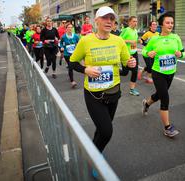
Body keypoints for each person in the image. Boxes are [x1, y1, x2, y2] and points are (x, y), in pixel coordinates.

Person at [70, 6, 136, 177]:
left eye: (112, 19)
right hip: (93, 94)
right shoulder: (86, 41)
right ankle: (96, 159)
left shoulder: (118, 41)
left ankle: (94, 148)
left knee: (102, 129)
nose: (109, 22)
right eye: (105, 18)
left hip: (113, 93)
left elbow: (125, 67)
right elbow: (72, 62)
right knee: (107, 131)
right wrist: (86, 70)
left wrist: (130, 64)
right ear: (96, 21)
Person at [142, 12, 185, 138]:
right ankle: (167, 128)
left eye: (172, 22)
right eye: (167, 22)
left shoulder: (176, 38)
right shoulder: (155, 38)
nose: (170, 25)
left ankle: (146, 104)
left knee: (160, 94)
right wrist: (148, 54)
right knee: (165, 98)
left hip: (171, 72)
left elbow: (183, 53)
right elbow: (145, 50)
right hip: (158, 72)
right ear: (162, 24)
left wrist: (180, 55)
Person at [119, 16, 140, 96]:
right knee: (125, 73)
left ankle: (132, 89)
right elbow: (119, 40)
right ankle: (115, 72)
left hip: (134, 53)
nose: (136, 23)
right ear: (129, 22)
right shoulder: (126, 30)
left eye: (136, 21)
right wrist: (129, 41)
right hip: (126, 54)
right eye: (134, 21)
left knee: (135, 71)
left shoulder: (135, 31)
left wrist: (138, 41)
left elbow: (134, 41)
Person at [60, 23, 79, 88]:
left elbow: (79, 43)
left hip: (74, 53)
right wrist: (62, 47)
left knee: (72, 66)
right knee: (70, 66)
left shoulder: (76, 36)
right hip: (66, 54)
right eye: (68, 27)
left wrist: (78, 47)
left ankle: (70, 76)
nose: (70, 29)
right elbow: (61, 43)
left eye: (71, 27)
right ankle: (72, 81)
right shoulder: (64, 37)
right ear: (66, 29)